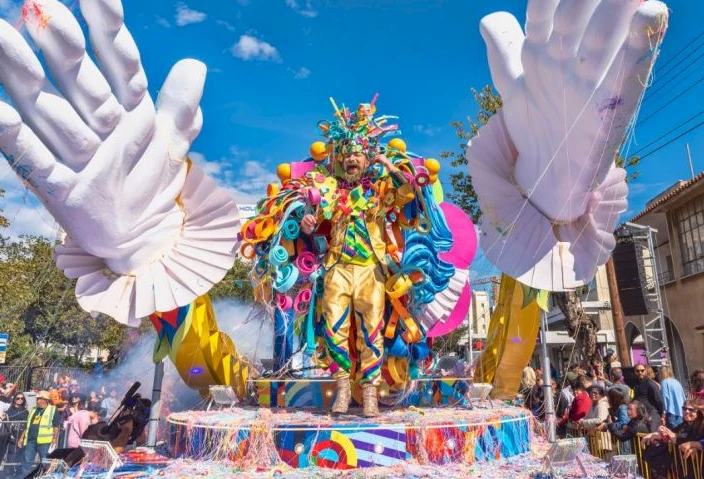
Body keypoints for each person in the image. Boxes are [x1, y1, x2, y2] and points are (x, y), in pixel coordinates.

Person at [642, 400, 704, 479]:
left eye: (691, 410)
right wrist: (660, 432)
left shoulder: (700, 426)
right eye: (684, 408)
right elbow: (672, 433)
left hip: (695, 469)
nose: (687, 411)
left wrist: (693, 445)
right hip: (682, 467)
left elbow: (683, 437)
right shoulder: (683, 425)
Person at [17, 390, 61, 478]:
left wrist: (55, 438)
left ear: (45, 400)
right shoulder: (34, 409)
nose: (37, 400)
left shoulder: (52, 410)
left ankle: (43, 477)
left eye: (39, 399)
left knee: (44, 462)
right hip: (31, 441)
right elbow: (27, 425)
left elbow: (56, 426)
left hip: (45, 442)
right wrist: (21, 438)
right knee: (27, 462)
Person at [0, 392, 28, 470]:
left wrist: (21, 438)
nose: (20, 400)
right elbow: (5, 418)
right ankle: (6, 472)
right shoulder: (9, 409)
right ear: (15, 399)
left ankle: (12, 471)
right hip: (7, 433)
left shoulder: (25, 411)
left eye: (22, 398)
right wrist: (4, 418)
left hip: (18, 435)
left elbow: (26, 425)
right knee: (4, 453)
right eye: (18, 398)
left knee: (14, 454)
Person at [659, 365, 686, 430]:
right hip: (681, 412)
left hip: (671, 412)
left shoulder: (664, 382)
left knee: (673, 432)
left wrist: (663, 413)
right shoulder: (677, 382)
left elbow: (665, 398)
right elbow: (683, 396)